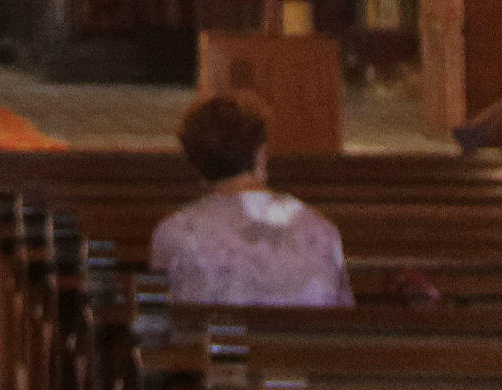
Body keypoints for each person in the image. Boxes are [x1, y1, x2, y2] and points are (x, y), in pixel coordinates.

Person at [148, 91, 352, 308]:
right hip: (304, 342)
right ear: (261, 153)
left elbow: (161, 319)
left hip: (215, 341)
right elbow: (344, 316)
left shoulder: (178, 231)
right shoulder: (320, 229)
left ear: (195, 163)